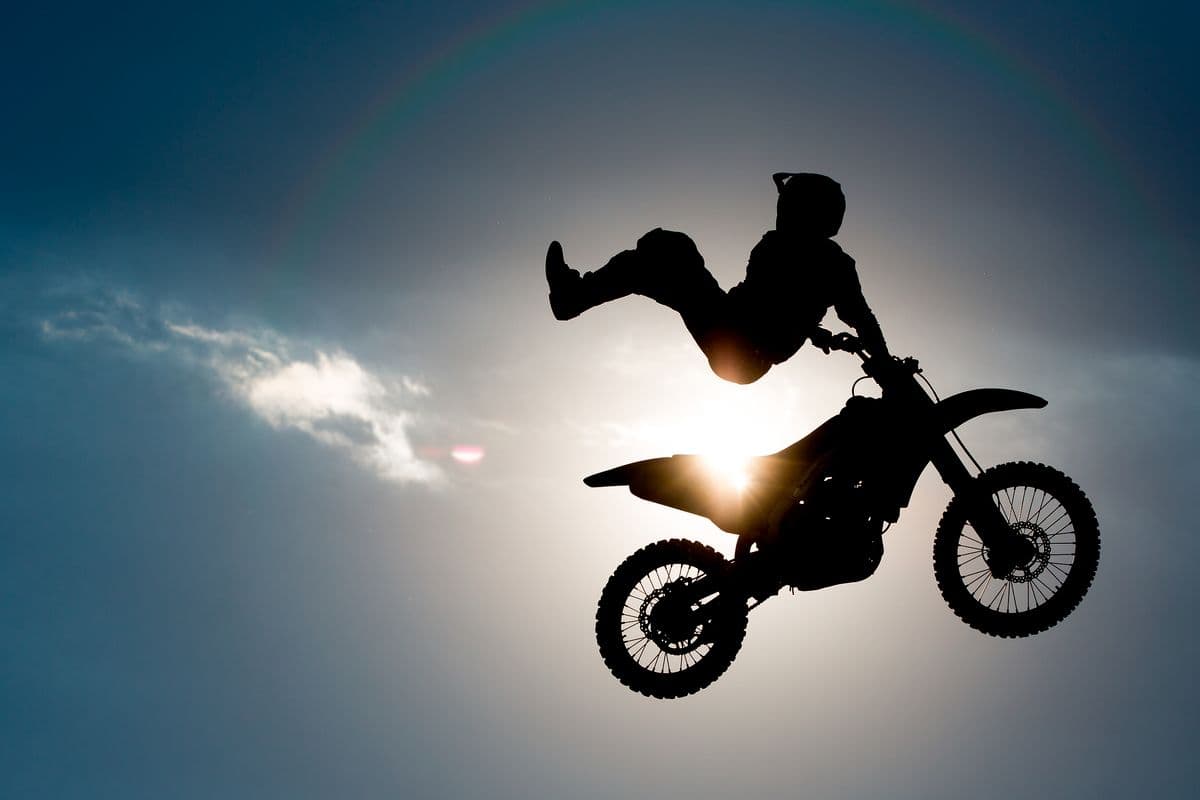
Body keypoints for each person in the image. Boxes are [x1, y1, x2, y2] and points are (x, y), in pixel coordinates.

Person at [544, 172, 889, 384]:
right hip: (735, 338)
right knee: (656, 258)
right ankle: (574, 296)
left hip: (739, 345)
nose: (781, 210)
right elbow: (786, 303)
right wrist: (816, 332)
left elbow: (859, 317)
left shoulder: (828, 262)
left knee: (666, 249)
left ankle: (573, 296)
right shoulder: (797, 252)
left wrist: (884, 363)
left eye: (789, 203)